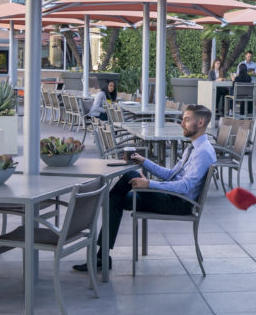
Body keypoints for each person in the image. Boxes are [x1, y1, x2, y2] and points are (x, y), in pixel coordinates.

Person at [74, 105, 216, 272]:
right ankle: (102, 256)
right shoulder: (193, 148)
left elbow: (185, 187)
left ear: (200, 122)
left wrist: (149, 184)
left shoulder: (203, 152)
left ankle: (98, 204)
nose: (182, 124)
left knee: (128, 178)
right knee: (117, 200)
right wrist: (144, 161)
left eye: (186, 120)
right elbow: (170, 174)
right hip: (170, 197)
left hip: (178, 203)